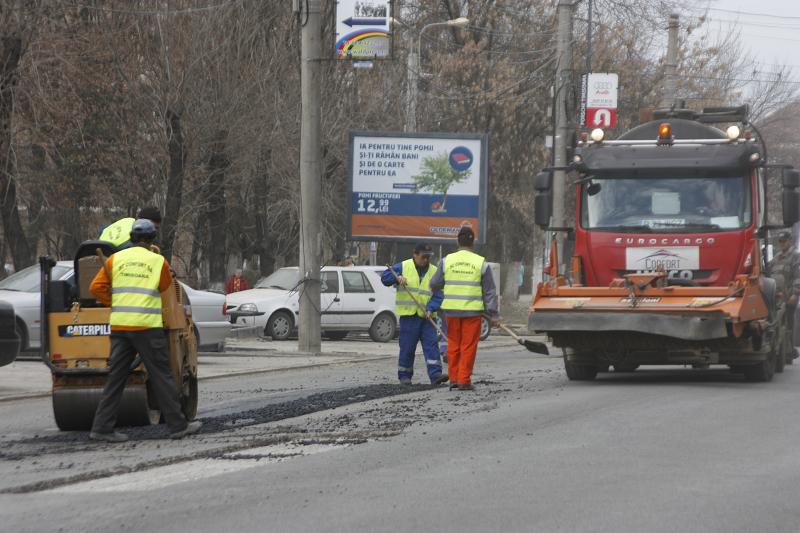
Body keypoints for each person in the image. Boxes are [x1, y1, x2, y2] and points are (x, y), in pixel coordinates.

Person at [88, 219, 201, 442]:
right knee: (162, 377)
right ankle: (178, 426)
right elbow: (166, 287)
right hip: (147, 328)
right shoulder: (157, 261)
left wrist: (117, 301)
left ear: (131, 238)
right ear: (152, 240)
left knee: (116, 378)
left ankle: (101, 428)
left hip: (120, 327)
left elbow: (95, 287)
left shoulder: (115, 259)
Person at [429, 226, 500, 390]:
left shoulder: (446, 261)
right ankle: (464, 380)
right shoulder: (481, 263)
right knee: (468, 346)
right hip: (472, 312)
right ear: (473, 242)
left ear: (457, 241)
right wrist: (494, 314)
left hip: (451, 311)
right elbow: (490, 292)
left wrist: (446, 288)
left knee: (453, 344)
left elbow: (434, 284)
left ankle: (453, 379)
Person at [381, 243, 448, 385]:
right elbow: (385, 277)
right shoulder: (403, 267)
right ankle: (404, 375)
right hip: (409, 317)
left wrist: (431, 308)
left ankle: (435, 375)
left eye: (428, 257)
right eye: (423, 257)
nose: (426, 260)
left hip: (427, 317)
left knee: (431, 346)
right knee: (407, 347)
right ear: (415, 254)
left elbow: (439, 295)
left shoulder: (434, 272)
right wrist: (397, 278)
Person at [768, 231, 800, 350]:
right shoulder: (777, 256)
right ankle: (785, 349)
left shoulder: (796, 255)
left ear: (790, 241)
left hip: (789, 295)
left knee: (788, 323)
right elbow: (770, 272)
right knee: (779, 323)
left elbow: (798, 276)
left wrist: (795, 294)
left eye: (784, 241)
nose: (782, 243)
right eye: (780, 241)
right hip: (777, 297)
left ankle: (790, 350)